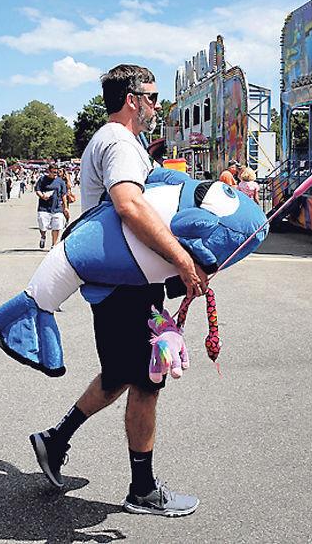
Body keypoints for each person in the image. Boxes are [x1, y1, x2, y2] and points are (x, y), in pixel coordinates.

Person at [29, 64, 204, 517]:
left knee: (120, 375)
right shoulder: (120, 142)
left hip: (121, 283)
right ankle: (142, 490)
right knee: (147, 381)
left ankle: (55, 439)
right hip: (124, 285)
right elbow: (129, 205)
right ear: (132, 98)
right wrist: (183, 261)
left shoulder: (117, 142)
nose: (157, 104)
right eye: (152, 95)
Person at [34, 164, 68, 249]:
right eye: (53, 172)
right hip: (44, 207)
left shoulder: (61, 182)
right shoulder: (42, 179)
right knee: (42, 225)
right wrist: (42, 196)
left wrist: (65, 207)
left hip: (57, 208)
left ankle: (54, 245)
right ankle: (43, 236)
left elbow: (64, 195)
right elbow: (37, 190)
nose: (55, 173)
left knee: (57, 226)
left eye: (57, 172)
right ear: (49, 171)